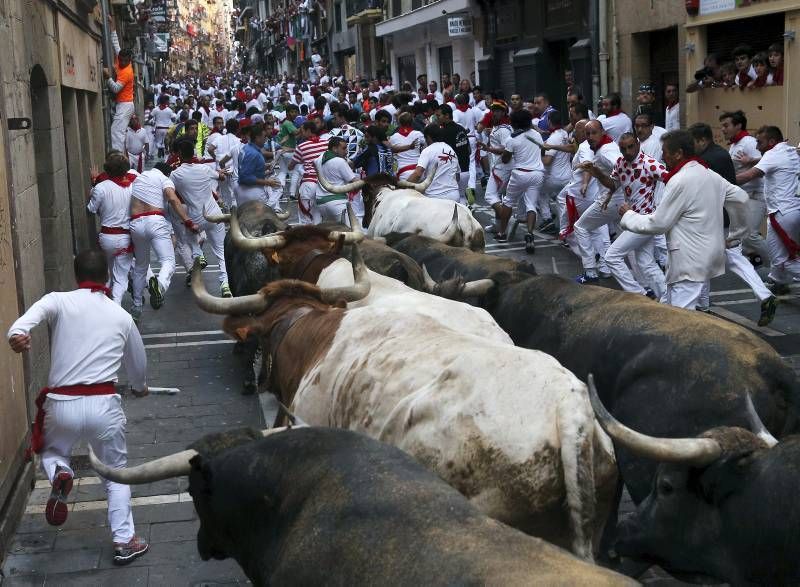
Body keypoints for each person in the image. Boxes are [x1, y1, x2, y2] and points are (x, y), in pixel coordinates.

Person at [7, 249, 149, 565]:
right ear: (106, 276)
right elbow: (138, 365)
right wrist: (140, 388)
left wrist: (17, 337)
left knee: (53, 451)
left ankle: (61, 471)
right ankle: (124, 540)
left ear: (75, 275)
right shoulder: (121, 316)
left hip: (62, 405)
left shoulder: (57, 300)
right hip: (103, 407)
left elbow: (18, 327)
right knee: (116, 473)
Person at [619, 130, 749, 309]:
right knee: (671, 314)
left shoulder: (679, 180)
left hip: (687, 263)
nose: (663, 157)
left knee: (681, 323)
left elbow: (658, 223)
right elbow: (741, 198)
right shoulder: (708, 173)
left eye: (664, 152)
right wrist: (736, 233)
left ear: (678, 153)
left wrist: (628, 215)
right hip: (697, 259)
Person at [688, 122, 777, 325]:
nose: (690, 147)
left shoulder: (705, 159)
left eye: (692, 142)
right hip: (726, 216)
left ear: (702, 140)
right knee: (732, 259)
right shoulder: (721, 154)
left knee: (702, 260)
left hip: (712, 219)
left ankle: (701, 306)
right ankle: (764, 295)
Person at [584, 133, 668, 299]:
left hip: (644, 220)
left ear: (637, 144)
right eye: (623, 148)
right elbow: (613, 184)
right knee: (646, 262)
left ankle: (638, 295)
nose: (628, 151)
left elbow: (670, 179)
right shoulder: (621, 163)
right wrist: (596, 173)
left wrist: (667, 206)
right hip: (633, 220)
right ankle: (666, 297)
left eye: (631, 147)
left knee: (611, 257)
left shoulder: (649, 163)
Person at [129, 163, 199, 321]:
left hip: (135, 223)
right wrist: (188, 221)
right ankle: (159, 287)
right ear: (167, 173)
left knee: (140, 267)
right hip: (155, 221)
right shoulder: (163, 179)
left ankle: (137, 307)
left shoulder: (138, 179)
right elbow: (173, 199)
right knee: (168, 261)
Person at [736, 126, 800, 297]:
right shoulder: (792, 150)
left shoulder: (773, 155)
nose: (757, 146)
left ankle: (778, 280)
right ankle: (777, 281)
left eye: (760, 142)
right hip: (793, 211)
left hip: (781, 213)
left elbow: (748, 176)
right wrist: (751, 161)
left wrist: (721, 181)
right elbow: (767, 161)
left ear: (771, 142)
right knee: (782, 253)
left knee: (782, 259)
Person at [169, 137, 232, 297]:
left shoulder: (175, 174)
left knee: (188, 235)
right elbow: (221, 177)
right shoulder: (204, 168)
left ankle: (198, 254)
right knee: (221, 251)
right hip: (214, 214)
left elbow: (169, 193)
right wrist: (222, 173)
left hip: (196, 217)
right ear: (193, 153)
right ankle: (225, 284)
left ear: (180, 155)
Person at [572, 120, 623, 283]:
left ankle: (590, 272)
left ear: (602, 132)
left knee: (580, 227)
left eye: (594, 132)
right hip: (620, 200)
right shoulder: (605, 146)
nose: (590, 137)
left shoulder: (604, 151)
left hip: (611, 201)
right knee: (633, 248)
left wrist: (611, 191)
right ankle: (644, 286)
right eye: (587, 134)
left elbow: (621, 168)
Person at [719, 110, 770, 264]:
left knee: (749, 235)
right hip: (743, 196)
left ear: (738, 125)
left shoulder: (748, 142)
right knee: (739, 237)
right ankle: (756, 259)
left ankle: (780, 265)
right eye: (722, 126)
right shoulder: (735, 145)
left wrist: (729, 181)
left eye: (726, 125)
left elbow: (762, 166)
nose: (722, 129)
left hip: (756, 195)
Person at [87, 152, 137, 304]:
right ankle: (116, 305)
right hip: (125, 239)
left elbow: (91, 209)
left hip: (106, 238)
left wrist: (93, 186)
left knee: (106, 273)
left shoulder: (100, 188)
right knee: (121, 277)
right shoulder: (133, 187)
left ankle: (103, 304)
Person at [496, 109, 546, 250]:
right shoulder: (536, 135)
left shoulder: (512, 139)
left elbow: (506, 160)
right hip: (537, 173)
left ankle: (501, 233)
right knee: (531, 205)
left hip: (519, 174)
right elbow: (542, 151)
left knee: (508, 202)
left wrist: (505, 152)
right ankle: (530, 234)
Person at [477, 101, 513, 232]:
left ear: (504, 113)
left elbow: (507, 149)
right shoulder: (500, 128)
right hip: (499, 167)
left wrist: (489, 148)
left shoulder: (503, 130)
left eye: (498, 111)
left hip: (502, 168)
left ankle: (506, 218)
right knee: (497, 197)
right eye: (494, 110)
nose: (495, 113)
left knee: (490, 196)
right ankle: (498, 225)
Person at [289, 121, 331, 224]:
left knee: (305, 218)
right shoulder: (326, 144)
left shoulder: (301, 147)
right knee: (318, 215)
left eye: (302, 131)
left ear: (308, 131)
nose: (301, 134)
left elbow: (290, 166)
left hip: (309, 184)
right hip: (324, 184)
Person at [103, 16, 135, 152]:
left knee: (116, 132)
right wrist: (112, 25)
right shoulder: (121, 57)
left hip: (125, 104)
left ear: (129, 60)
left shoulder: (127, 72)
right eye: (120, 60)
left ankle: (118, 159)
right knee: (117, 132)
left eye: (124, 61)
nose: (121, 63)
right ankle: (119, 156)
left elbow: (116, 89)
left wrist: (108, 77)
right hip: (123, 104)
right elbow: (116, 44)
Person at [405, 124, 460, 202]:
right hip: (454, 196)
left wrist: (403, 187)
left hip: (435, 198)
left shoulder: (427, 151)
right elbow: (457, 176)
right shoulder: (451, 150)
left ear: (428, 137)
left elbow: (417, 174)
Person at [315, 137, 360, 223]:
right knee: (351, 231)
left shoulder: (319, 159)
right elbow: (354, 182)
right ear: (335, 148)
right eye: (343, 148)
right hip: (338, 202)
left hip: (321, 204)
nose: (346, 151)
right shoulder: (339, 161)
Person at [237, 123, 282, 209]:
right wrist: (267, 182)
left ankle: (269, 208)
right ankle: (268, 208)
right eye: (264, 137)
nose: (265, 139)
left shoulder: (247, 148)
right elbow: (246, 177)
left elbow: (249, 167)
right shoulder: (253, 153)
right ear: (257, 138)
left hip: (245, 191)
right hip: (252, 192)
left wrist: (265, 166)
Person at [437, 104, 471, 203]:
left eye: (439, 116)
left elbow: (444, 154)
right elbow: (469, 150)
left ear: (446, 115)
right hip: (466, 170)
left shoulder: (443, 132)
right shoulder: (461, 128)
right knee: (462, 197)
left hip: (455, 172)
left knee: (455, 200)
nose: (437, 118)